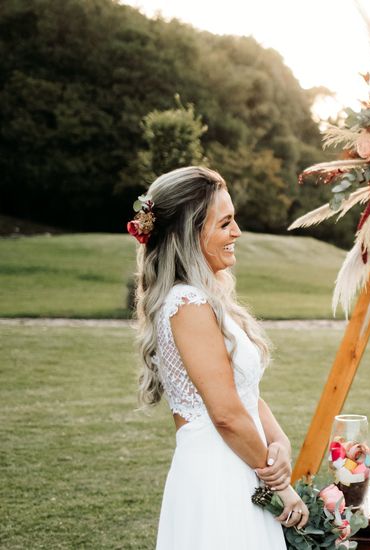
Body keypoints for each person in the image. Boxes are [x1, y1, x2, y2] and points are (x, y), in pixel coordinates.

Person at [130, 166, 307, 548]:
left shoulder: (205, 297)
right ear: (192, 234)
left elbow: (243, 393)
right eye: (225, 223)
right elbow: (225, 414)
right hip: (217, 476)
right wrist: (280, 484)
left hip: (242, 463)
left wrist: (279, 440)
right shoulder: (186, 303)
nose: (236, 232)